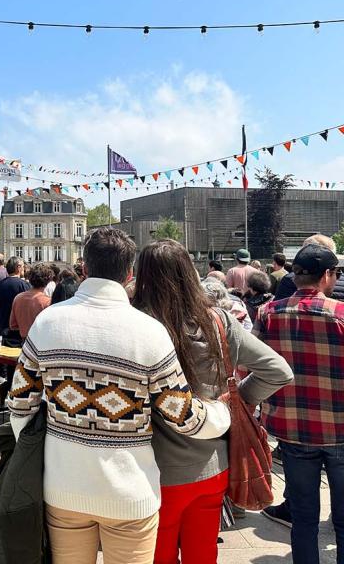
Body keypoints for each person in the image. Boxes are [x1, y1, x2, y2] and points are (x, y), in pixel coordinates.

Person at [7, 227, 232, 564]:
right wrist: (220, 413)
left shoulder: (47, 322)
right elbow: (183, 416)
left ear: (84, 267)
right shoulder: (149, 331)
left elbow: (20, 404)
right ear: (129, 273)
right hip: (129, 491)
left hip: (64, 485)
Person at [133, 239, 293, 564]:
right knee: (203, 552)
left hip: (152, 469)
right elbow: (278, 370)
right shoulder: (217, 321)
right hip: (213, 464)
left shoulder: (137, 325)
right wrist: (237, 402)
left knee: (158, 555)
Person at [255, 243, 344, 564]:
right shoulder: (341, 315)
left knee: (304, 518)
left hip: (291, 429)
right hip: (339, 429)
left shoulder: (267, 314)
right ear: (327, 276)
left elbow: (249, 368)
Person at [10, 263, 53, 339]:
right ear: (48, 281)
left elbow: (13, 325)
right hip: (41, 342)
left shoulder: (18, 298)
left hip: (24, 341)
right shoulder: (47, 302)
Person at [0, 256, 29, 335]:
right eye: (23, 266)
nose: (24, 269)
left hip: (3, 327)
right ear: (18, 267)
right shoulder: (23, 285)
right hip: (18, 329)